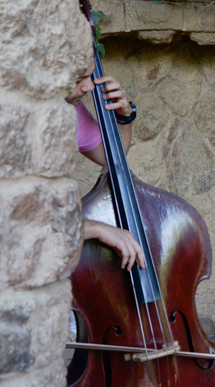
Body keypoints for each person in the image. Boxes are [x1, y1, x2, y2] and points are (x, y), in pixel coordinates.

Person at [66, 61, 146, 271]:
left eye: (90, 77)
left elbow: (110, 157)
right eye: (78, 79)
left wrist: (124, 115)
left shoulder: (71, 111)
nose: (89, 87)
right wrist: (95, 228)